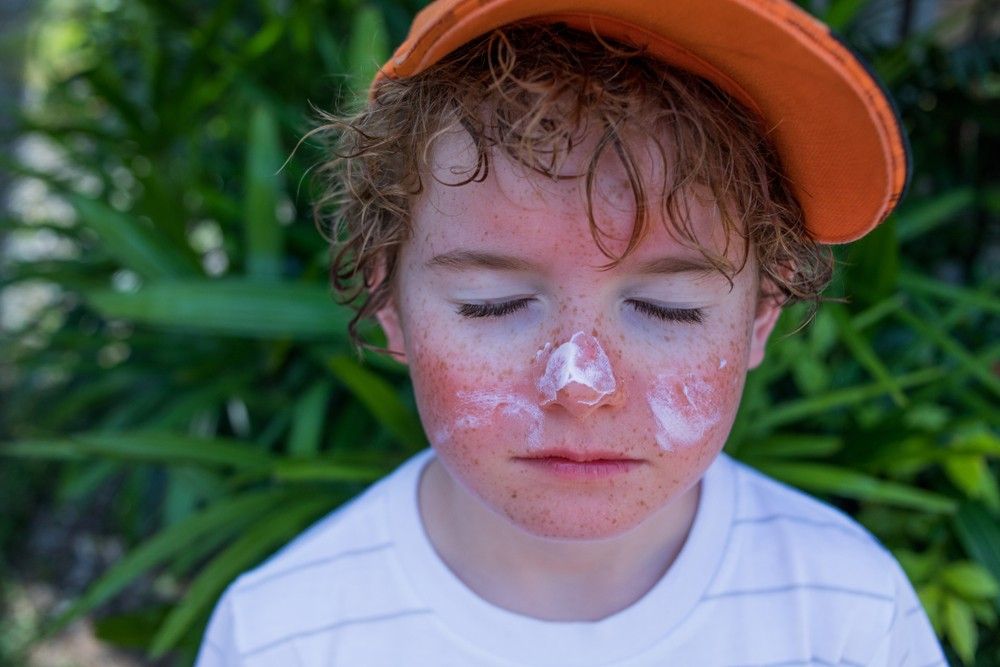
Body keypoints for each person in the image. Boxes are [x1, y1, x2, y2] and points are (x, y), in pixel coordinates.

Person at [196, 1, 947, 665]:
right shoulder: (281, 637)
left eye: (669, 306)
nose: (581, 383)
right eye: (491, 304)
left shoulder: (851, 613)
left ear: (761, 314)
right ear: (387, 299)